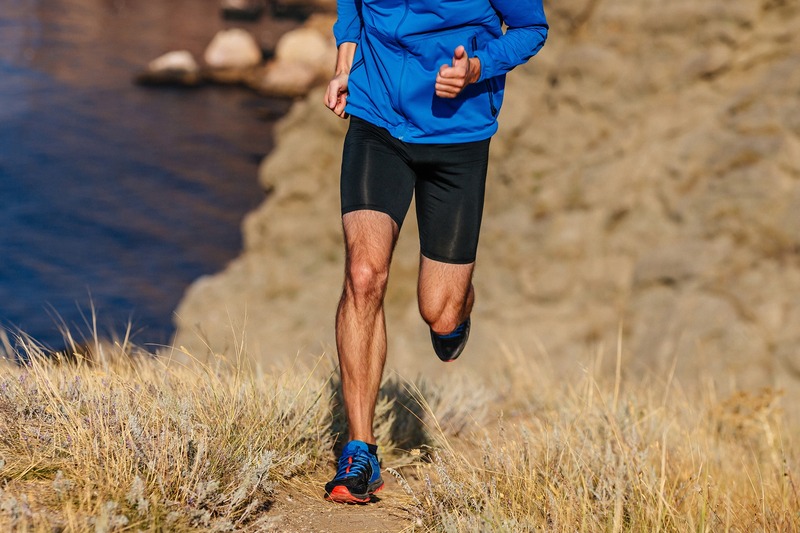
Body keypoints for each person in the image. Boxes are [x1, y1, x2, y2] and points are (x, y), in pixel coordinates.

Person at [322, 0, 548, 504]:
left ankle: (460, 305)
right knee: (364, 274)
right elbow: (352, 6)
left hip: (458, 135)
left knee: (439, 311)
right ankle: (360, 451)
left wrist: (477, 67)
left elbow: (532, 28)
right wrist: (344, 66)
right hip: (376, 120)